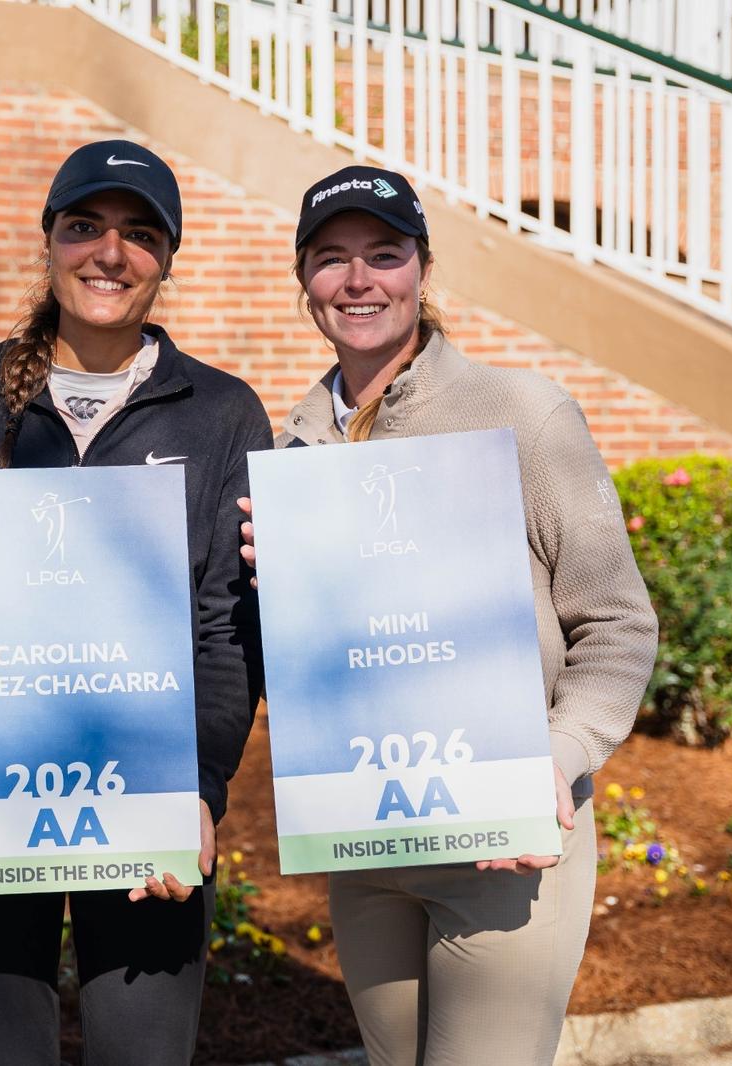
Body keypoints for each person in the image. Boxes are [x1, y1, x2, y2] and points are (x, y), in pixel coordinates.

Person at [239, 165, 657, 1065]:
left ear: (423, 268)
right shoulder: (293, 452)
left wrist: (562, 753)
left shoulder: (525, 414)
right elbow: (313, 673)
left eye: (384, 255)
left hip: (511, 835)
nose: (359, 281)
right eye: (331, 259)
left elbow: (619, 624)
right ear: (303, 281)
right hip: (370, 841)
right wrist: (285, 601)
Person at [0, 140, 272, 1064]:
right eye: (86, 227)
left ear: (168, 259)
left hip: (148, 797)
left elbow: (226, 630)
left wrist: (202, 791)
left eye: (140, 234)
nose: (111, 253)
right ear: (50, 242)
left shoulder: (220, 412)